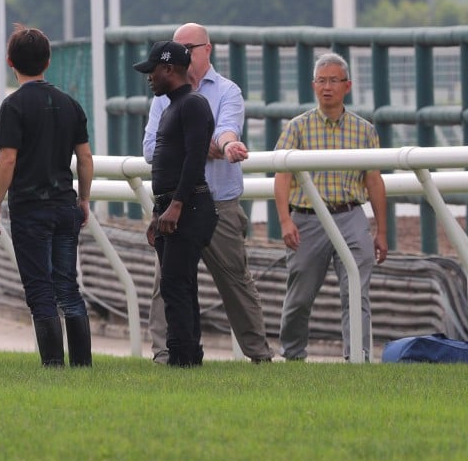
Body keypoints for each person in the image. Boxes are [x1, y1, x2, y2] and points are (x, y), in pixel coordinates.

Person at [142, 23, 275, 364]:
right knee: (167, 283)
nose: (185, 52)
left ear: (207, 49)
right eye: (179, 46)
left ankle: (259, 355)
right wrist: (204, 145)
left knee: (234, 280)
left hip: (219, 202)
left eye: (190, 46)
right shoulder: (164, 96)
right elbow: (151, 149)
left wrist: (218, 144)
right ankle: (165, 352)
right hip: (176, 203)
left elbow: (226, 132)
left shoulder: (227, 91)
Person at [0, 25, 94, 367]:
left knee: (40, 290)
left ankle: (53, 366)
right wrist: (84, 200)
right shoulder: (70, 104)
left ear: (9, 62)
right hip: (65, 205)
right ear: (47, 61)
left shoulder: (13, 106)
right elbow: (86, 158)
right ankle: (82, 364)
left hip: (31, 211)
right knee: (68, 287)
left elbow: (8, 158)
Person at [274, 52, 388, 361]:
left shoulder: (364, 130)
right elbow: (281, 175)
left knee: (356, 292)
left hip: (350, 215)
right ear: (313, 86)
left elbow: (374, 181)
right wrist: (285, 221)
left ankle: (358, 357)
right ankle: (293, 356)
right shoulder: (296, 128)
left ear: (347, 86)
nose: (327, 87)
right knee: (300, 297)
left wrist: (381, 231)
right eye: (321, 81)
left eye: (333, 81)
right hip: (308, 220)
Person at [136, 40, 218, 367]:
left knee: (174, 284)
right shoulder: (173, 106)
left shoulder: (192, 105)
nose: (149, 77)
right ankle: (188, 356)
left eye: (152, 70)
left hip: (190, 205)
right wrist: (158, 213)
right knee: (180, 285)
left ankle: (181, 359)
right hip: (174, 206)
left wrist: (177, 206)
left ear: (169, 69)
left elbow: (195, 159)